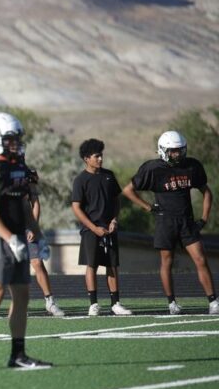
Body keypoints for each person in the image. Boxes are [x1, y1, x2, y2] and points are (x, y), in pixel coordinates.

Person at [0, 113, 53, 370]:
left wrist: (37, 235)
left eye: (17, 138)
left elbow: (23, 207)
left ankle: (18, 354)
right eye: (9, 139)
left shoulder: (19, 166)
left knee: (23, 295)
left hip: (17, 237)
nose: (15, 143)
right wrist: (10, 238)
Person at [122, 130, 218, 315]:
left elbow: (206, 192)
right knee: (167, 261)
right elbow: (128, 190)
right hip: (165, 222)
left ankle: (213, 301)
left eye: (180, 150)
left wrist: (204, 218)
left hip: (187, 222)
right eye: (173, 151)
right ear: (163, 150)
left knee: (200, 258)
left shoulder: (192, 166)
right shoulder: (152, 169)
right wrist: (148, 207)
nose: (177, 154)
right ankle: (171, 303)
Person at [71, 139, 132, 316]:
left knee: (112, 266)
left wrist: (114, 220)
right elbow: (76, 207)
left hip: (109, 229)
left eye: (101, 155)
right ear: (86, 158)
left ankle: (115, 304)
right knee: (92, 266)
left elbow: (116, 201)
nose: (100, 159)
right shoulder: (80, 180)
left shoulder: (109, 176)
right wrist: (93, 228)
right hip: (91, 231)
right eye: (96, 156)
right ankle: (94, 304)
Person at [25, 165, 65, 317]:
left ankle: (50, 301)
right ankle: (18, 304)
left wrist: (34, 227)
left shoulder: (28, 174)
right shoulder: (2, 172)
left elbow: (35, 202)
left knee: (37, 262)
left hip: (26, 226)